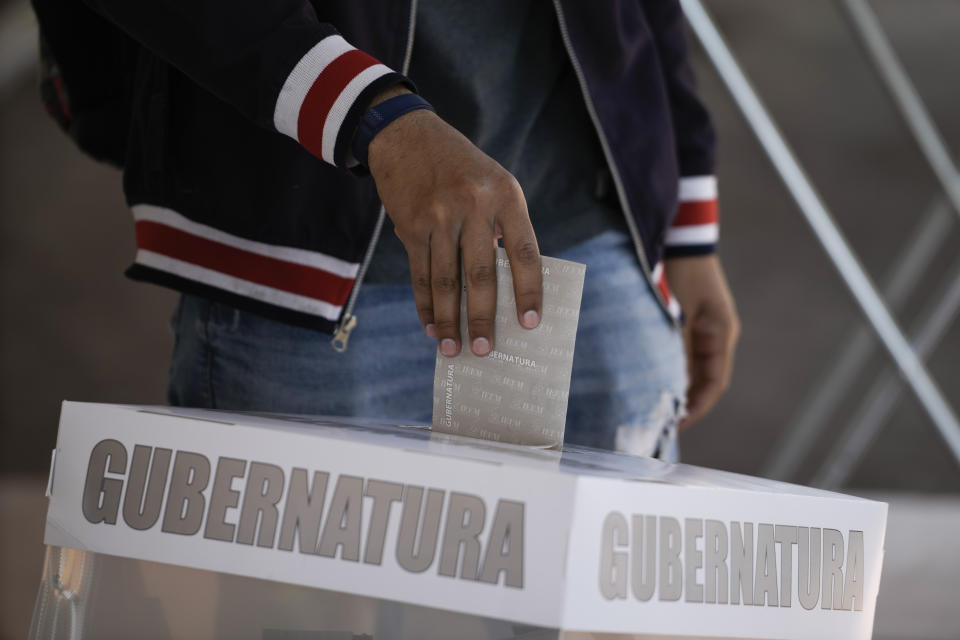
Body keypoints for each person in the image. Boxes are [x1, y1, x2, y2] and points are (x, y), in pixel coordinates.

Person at [42, 0, 739, 459]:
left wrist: (686, 223)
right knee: (308, 619)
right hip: (300, 259)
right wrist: (370, 115)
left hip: (589, 242)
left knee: (593, 613)